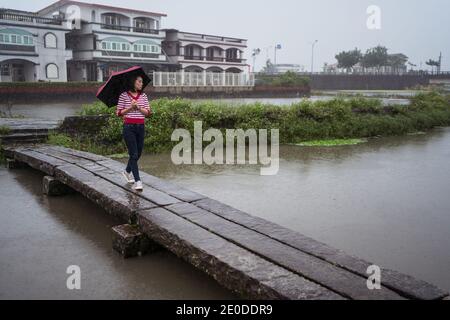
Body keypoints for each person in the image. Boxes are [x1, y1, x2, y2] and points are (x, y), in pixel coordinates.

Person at [116, 75, 152, 191]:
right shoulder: (124, 95)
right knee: (134, 155)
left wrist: (139, 107)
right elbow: (119, 113)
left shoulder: (144, 96)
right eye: (139, 81)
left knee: (139, 153)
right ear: (133, 82)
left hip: (141, 127)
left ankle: (127, 171)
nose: (141, 84)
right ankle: (138, 181)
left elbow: (148, 113)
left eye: (142, 82)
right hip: (129, 127)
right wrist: (131, 108)